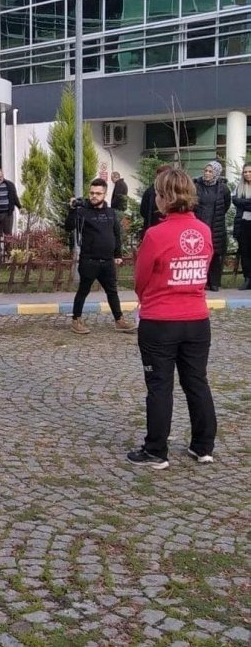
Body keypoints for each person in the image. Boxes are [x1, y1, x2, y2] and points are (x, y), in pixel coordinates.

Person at [127, 168, 217, 469]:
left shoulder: (156, 234)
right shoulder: (204, 231)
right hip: (197, 319)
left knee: (160, 385)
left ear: (164, 197)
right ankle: (203, 446)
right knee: (197, 382)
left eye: (157, 194)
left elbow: (140, 279)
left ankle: (156, 450)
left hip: (160, 321)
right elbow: (205, 266)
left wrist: (150, 297)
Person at [65, 177, 135, 335]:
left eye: (98, 193)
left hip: (108, 261)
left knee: (112, 291)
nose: (94, 196)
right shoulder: (82, 211)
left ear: (104, 194)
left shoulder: (110, 213)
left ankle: (119, 320)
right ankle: (76, 320)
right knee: (83, 290)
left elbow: (116, 234)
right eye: (92, 193)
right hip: (89, 260)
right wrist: (71, 210)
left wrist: (118, 254)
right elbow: (68, 227)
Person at [193, 161, 231, 292]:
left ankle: (214, 282)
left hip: (215, 225)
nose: (207, 173)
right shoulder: (196, 186)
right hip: (199, 223)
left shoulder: (223, 188)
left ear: (216, 173)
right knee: (199, 253)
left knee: (215, 254)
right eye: (206, 171)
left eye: (210, 171)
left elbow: (225, 205)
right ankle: (201, 281)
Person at [139, 164, 172, 239]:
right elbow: (143, 211)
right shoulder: (150, 192)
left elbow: (143, 211)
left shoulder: (151, 191)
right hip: (154, 225)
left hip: (163, 227)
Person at [232, 162, 251, 290]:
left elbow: (240, 202)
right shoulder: (239, 187)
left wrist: (243, 203)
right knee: (245, 252)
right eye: (245, 172)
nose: (247, 174)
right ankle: (248, 279)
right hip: (243, 224)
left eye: (249, 171)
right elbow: (235, 201)